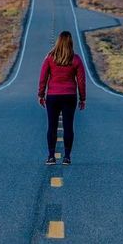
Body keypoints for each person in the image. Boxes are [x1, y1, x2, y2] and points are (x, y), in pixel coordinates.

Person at [38, 30, 86, 165]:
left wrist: (41, 95)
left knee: (52, 126)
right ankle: (67, 157)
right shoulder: (76, 59)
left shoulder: (49, 58)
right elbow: (81, 81)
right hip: (70, 96)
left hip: (53, 96)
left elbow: (43, 78)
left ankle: (51, 156)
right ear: (71, 42)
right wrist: (83, 98)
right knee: (68, 126)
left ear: (58, 42)